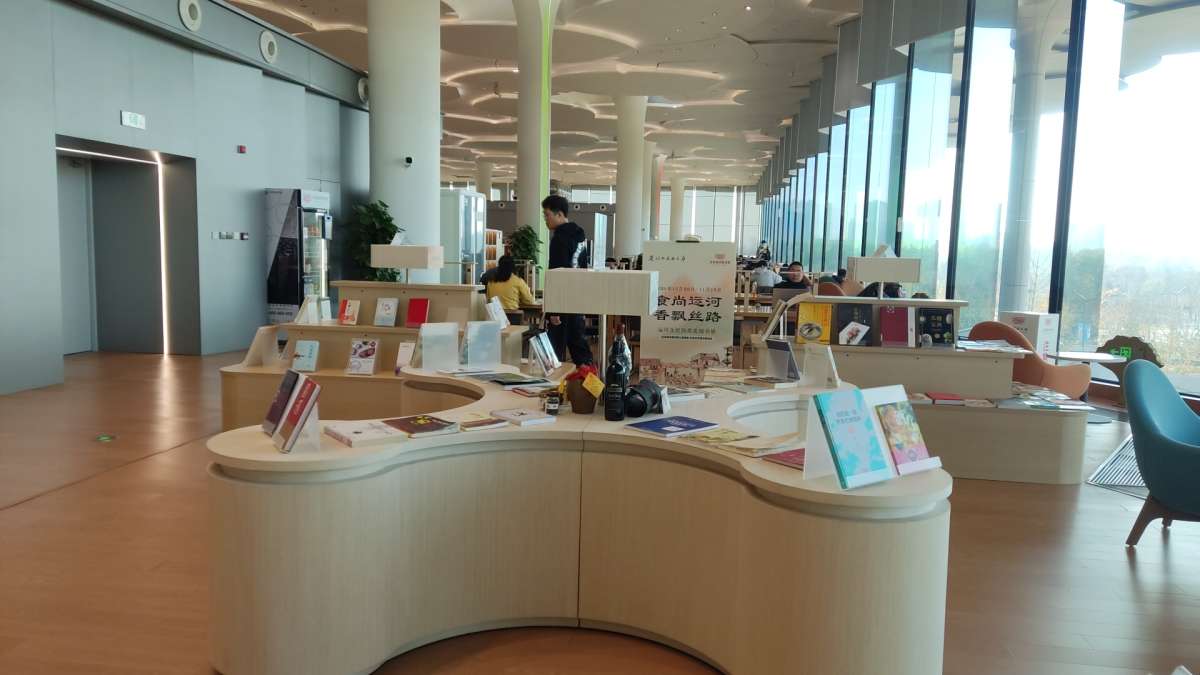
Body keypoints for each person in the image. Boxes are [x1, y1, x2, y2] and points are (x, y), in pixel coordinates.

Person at [542, 194, 594, 365]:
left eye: (547, 215)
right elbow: (584, 268)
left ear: (559, 214)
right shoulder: (580, 236)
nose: (545, 219)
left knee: (555, 353)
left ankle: (556, 382)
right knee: (579, 347)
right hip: (577, 301)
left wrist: (553, 309)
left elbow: (557, 274)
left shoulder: (559, 239)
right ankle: (590, 379)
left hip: (562, 303)